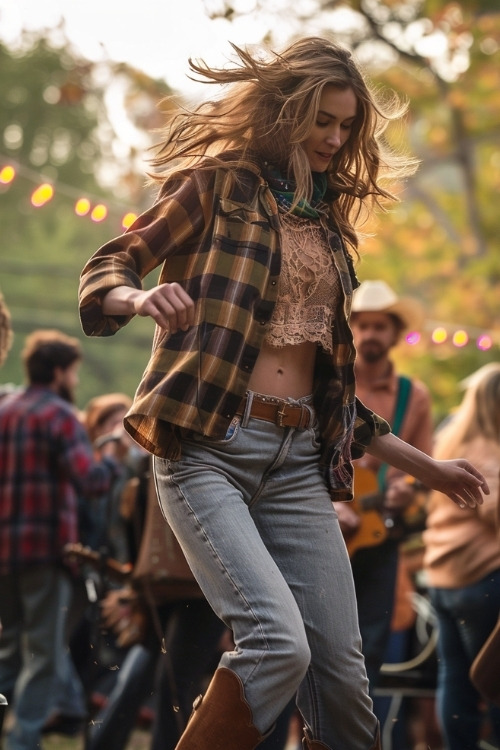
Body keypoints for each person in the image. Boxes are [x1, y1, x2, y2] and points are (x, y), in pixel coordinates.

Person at [78, 37, 488, 750]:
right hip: (209, 447)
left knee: (344, 683)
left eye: (345, 126)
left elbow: (335, 403)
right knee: (275, 644)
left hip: (299, 461)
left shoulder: (329, 229)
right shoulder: (215, 187)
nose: (334, 139)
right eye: (322, 121)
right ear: (285, 115)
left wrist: (432, 469)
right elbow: (109, 264)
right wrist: (138, 300)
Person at [0, 329, 127, 750]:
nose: (74, 381)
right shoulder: (59, 416)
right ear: (57, 371)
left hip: (3, 553)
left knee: (7, 651)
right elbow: (89, 481)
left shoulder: (4, 411)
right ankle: (22, 742)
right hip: (46, 553)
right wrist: (111, 458)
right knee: (43, 656)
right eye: (72, 373)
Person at [334, 279, 433, 690]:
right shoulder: (330, 383)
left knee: (372, 642)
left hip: (381, 535)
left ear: (394, 333)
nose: (370, 334)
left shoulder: (415, 396)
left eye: (379, 326)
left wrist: (408, 488)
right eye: (362, 325)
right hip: (321, 527)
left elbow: (425, 469)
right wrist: (330, 504)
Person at [423, 362, 500, 750]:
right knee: (494, 680)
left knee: (455, 679)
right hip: (482, 580)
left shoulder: (450, 443)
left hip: (442, 581)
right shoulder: (492, 451)